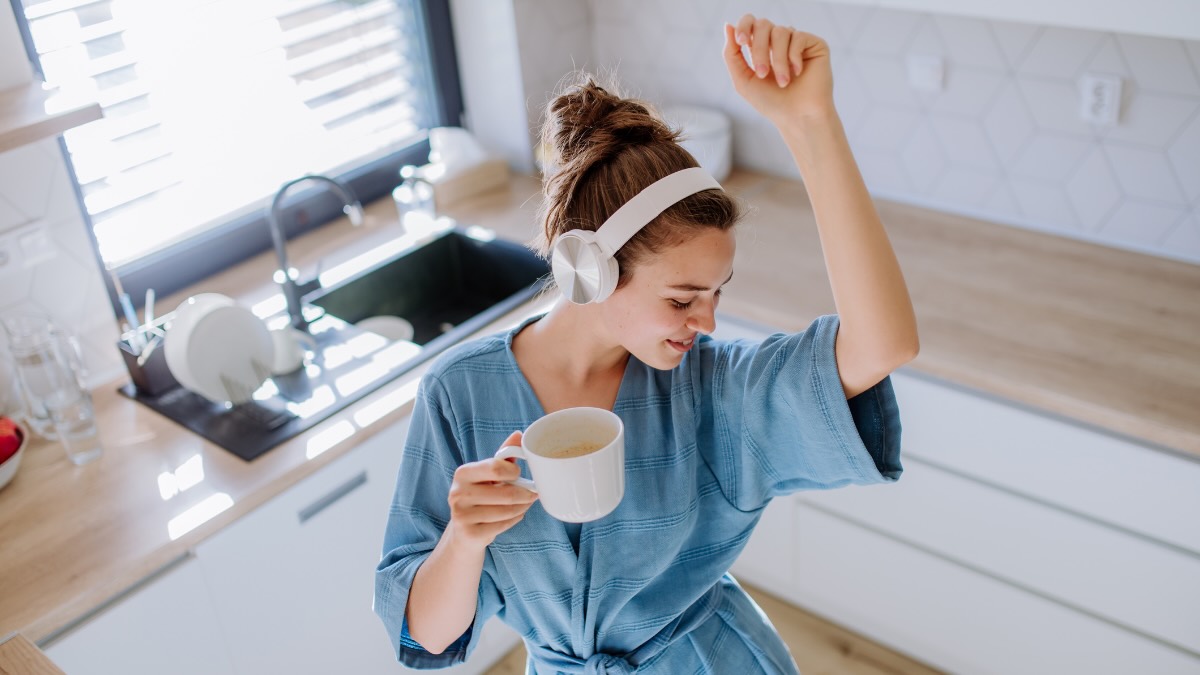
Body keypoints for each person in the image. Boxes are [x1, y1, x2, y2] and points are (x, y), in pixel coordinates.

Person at [375, 14, 919, 675]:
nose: (708, 322)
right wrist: (463, 538)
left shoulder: (711, 390)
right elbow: (427, 639)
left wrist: (812, 124)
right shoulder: (459, 394)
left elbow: (882, 344)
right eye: (683, 298)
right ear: (590, 268)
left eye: (717, 295)